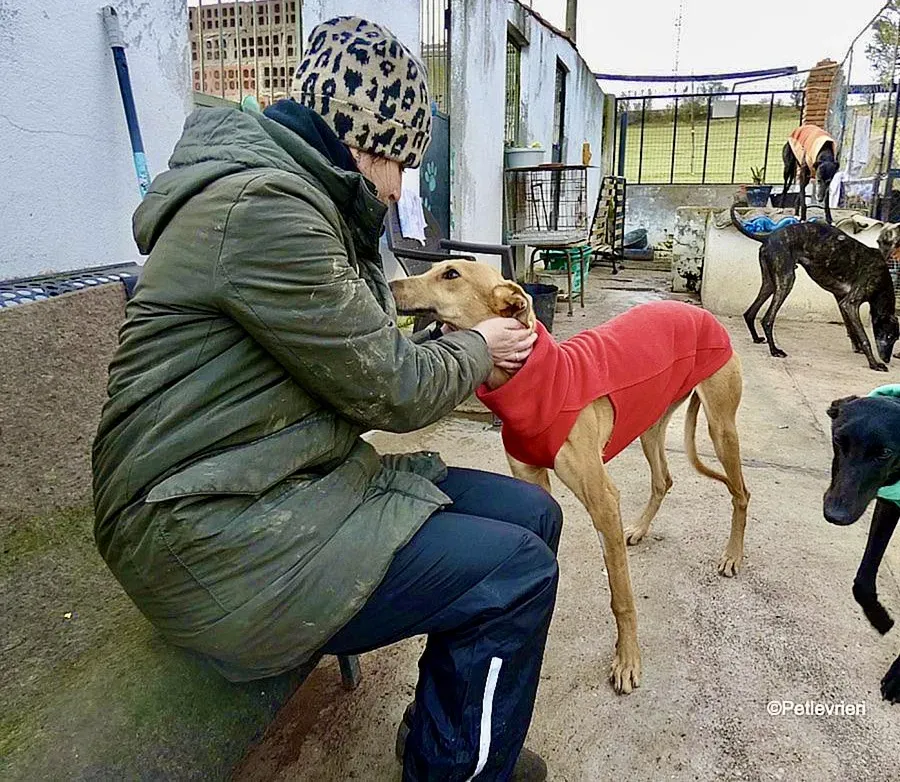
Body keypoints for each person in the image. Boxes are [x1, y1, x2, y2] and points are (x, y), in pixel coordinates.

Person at [92, 16, 561, 782]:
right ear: (368, 143)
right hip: (205, 532)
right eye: (402, 164)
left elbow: (362, 355)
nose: (401, 188)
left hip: (279, 480)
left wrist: (452, 345)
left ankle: (442, 737)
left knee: (533, 514)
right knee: (515, 573)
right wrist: (477, 349)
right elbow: (392, 389)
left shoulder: (306, 202)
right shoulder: (267, 211)